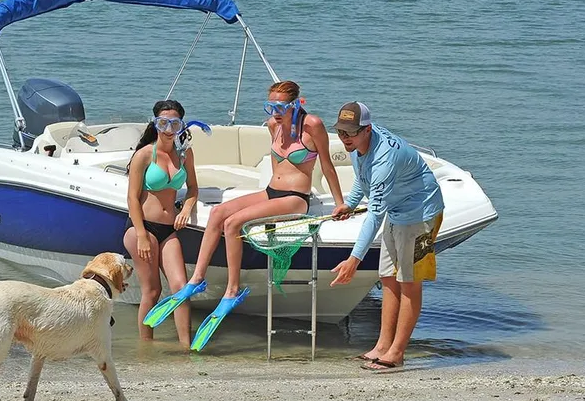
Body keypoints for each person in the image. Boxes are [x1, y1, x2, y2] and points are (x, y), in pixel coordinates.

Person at [149, 80, 346, 349]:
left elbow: (327, 164)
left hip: (295, 198)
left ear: (295, 103)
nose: (275, 111)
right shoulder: (272, 126)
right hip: (271, 191)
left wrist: (339, 203)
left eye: (281, 106)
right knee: (219, 213)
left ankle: (231, 290)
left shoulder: (311, 125)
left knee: (233, 224)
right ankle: (197, 279)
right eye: (271, 106)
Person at [329, 101, 444, 372]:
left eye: (350, 133)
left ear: (367, 129)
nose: (345, 138)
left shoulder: (385, 160)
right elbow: (361, 175)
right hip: (398, 211)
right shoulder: (359, 144)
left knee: (409, 282)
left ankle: (397, 352)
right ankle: (381, 346)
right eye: (341, 132)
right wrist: (351, 202)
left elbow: (374, 216)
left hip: (421, 214)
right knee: (388, 277)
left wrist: (353, 260)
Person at [123, 100, 199, 347]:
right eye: (163, 123)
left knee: (182, 288)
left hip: (169, 230)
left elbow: (193, 189)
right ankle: (146, 347)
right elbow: (132, 198)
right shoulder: (144, 154)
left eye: (174, 123)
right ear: (155, 123)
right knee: (152, 291)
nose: (168, 128)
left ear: (181, 126)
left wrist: (186, 208)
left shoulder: (185, 155)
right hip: (142, 227)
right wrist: (142, 235)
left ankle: (187, 348)